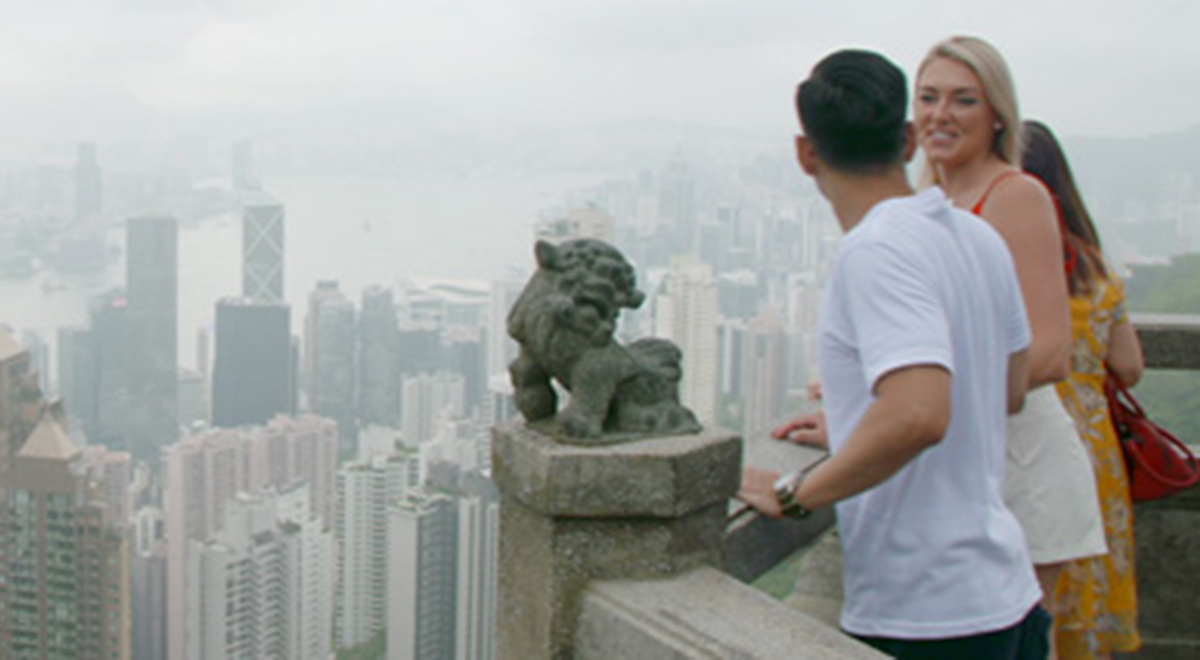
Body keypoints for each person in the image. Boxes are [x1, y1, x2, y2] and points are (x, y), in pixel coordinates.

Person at [739, 48, 1047, 658]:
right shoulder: (975, 235)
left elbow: (919, 414)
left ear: (806, 153)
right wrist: (855, 422)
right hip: (1007, 591)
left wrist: (798, 493)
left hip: (927, 612)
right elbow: (1006, 390)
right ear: (909, 140)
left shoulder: (876, 251)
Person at [911, 36, 1108, 625]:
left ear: (998, 113)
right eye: (928, 97)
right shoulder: (931, 198)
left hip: (1020, 462)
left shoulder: (1015, 195)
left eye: (963, 100)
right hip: (964, 458)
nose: (940, 114)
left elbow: (1050, 352)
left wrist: (913, 405)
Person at [1023, 119, 1145, 659]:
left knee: (1035, 595)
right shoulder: (1096, 270)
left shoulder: (1018, 264)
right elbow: (1130, 365)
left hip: (1032, 441)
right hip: (1095, 451)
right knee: (1082, 589)